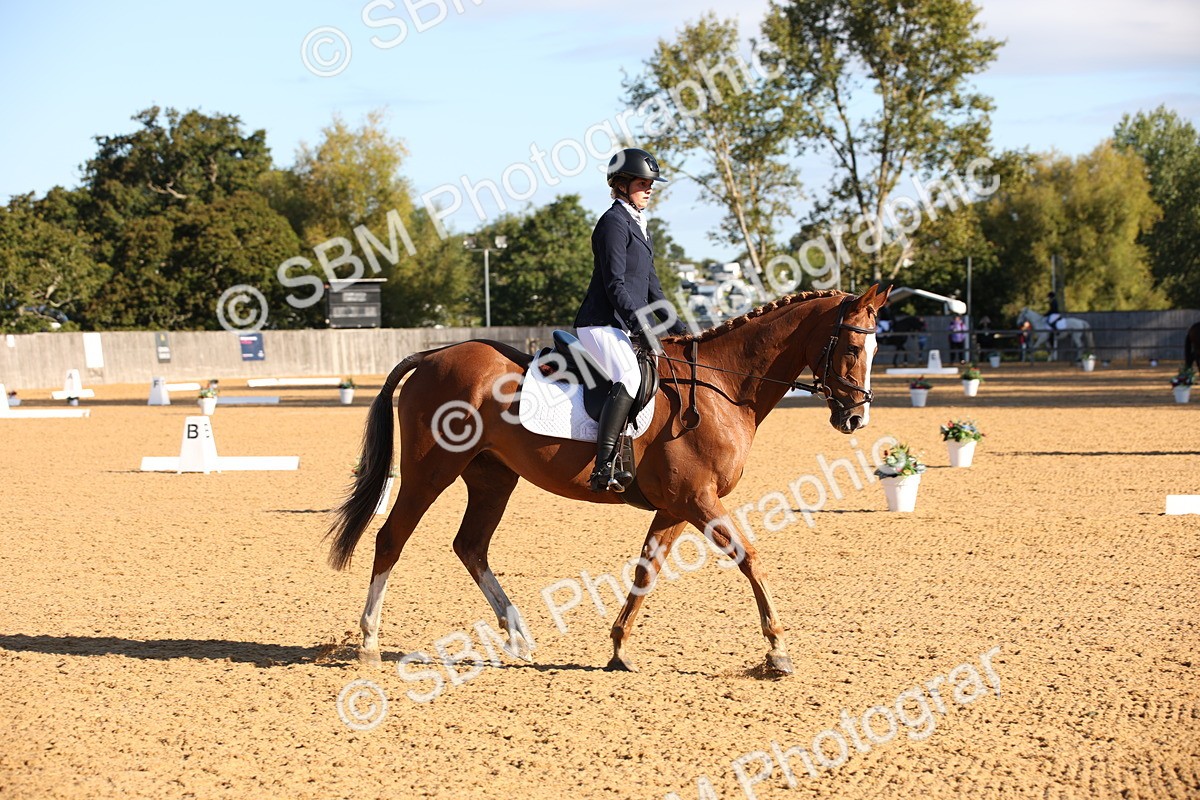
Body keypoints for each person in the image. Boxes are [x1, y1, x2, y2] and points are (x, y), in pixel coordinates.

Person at [574, 147, 687, 493]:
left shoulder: (638, 224)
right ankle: (604, 464)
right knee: (629, 374)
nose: (649, 188)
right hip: (600, 323)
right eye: (642, 182)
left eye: (651, 183)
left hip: (623, 324)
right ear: (621, 185)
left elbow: (652, 288)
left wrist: (681, 330)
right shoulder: (613, 222)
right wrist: (639, 324)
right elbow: (615, 284)